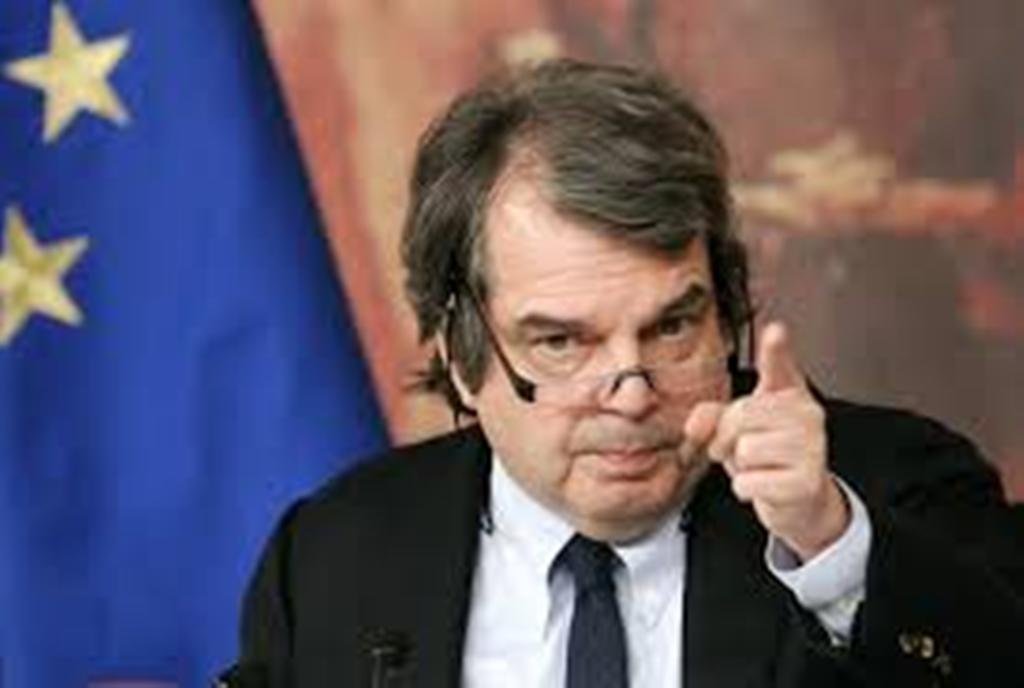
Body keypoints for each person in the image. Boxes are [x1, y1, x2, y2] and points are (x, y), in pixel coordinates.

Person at [228, 60, 1024, 687]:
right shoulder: (336, 554)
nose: (634, 394)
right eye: (561, 343)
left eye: (672, 328)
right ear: (459, 358)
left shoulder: (897, 492)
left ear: (727, 310)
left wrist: (830, 547)